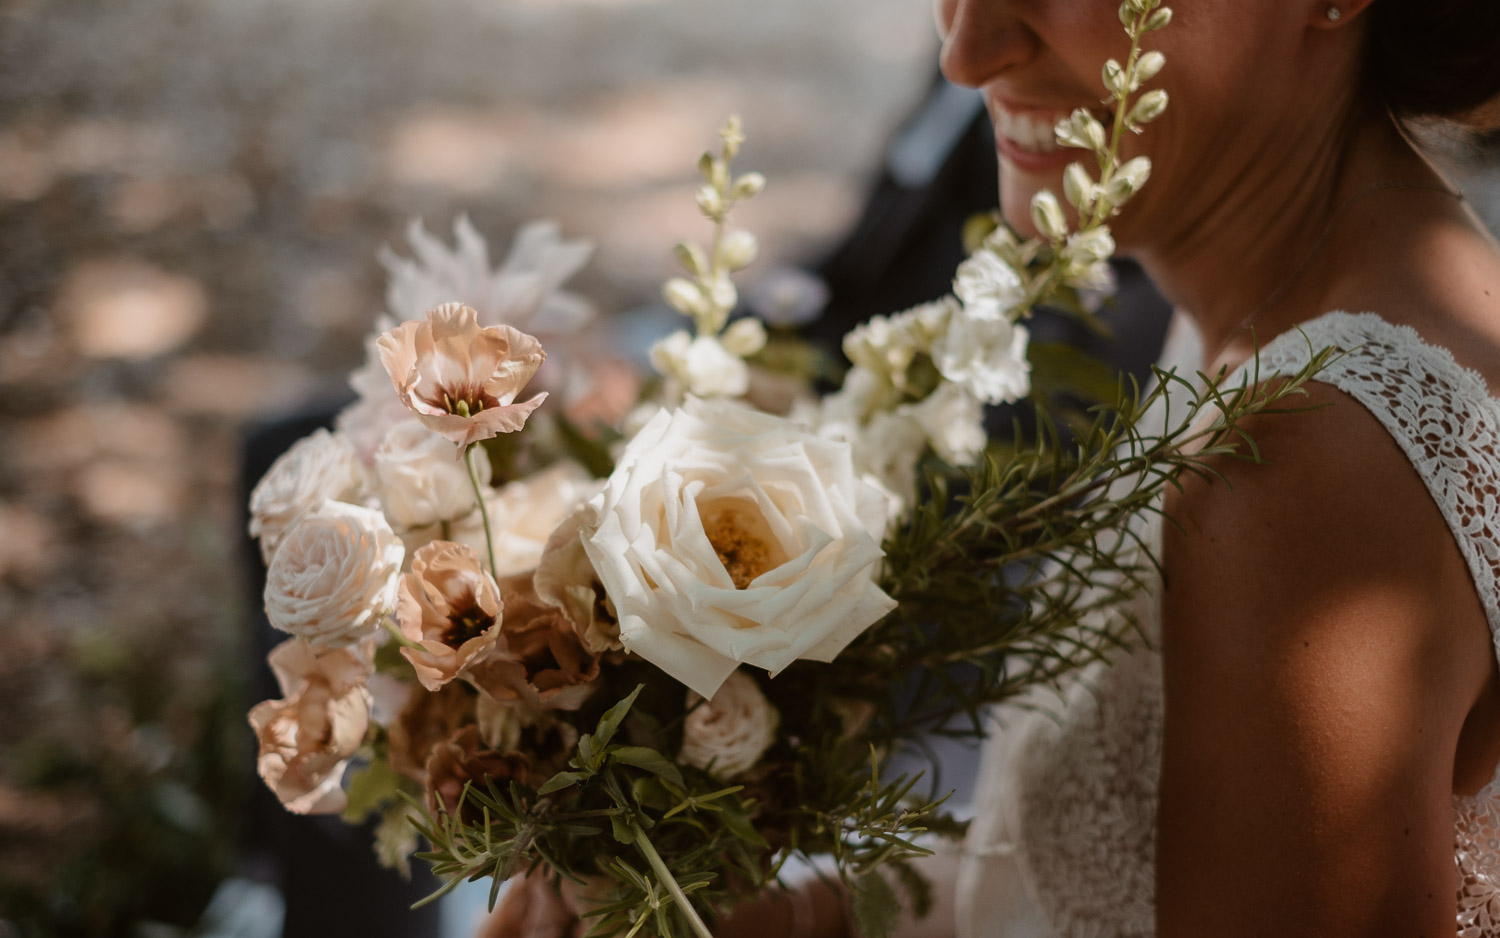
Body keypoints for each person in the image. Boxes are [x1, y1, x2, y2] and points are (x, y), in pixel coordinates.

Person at [490, 0, 1500, 933]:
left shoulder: (1307, 462)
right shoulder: (1273, 294)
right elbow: (1081, 880)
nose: (965, 52)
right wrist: (784, 919)